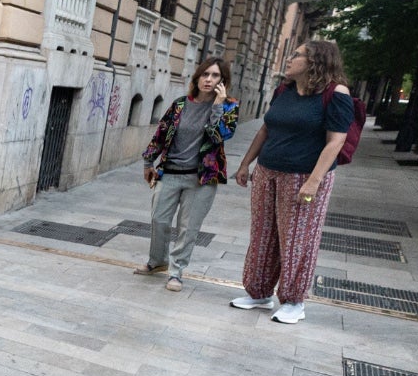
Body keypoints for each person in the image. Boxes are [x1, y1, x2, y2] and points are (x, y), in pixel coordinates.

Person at [230, 39, 355, 324]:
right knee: (262, 235)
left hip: (303, 177)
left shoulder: (336, 94)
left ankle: (294, 300)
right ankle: (259, 292)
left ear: (315, 62)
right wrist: (246, 163)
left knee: (297, 239)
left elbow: (336, 142)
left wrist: (314, 181)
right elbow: (266, 128)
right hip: (267, 171)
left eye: (296, 55)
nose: (289, 59)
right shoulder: (284, 90)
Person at [134, 57, 239, 292]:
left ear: (223, 82)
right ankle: (157, 261)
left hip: (201, 179)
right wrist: (148, 160)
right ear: (197, 77)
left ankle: (176, 272)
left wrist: (217, 106)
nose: (209, 80)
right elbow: (161, 133)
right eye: (205, 75)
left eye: (215, 76)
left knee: (187, 227)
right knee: (159, 219)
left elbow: (218, 136)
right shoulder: (181, 104)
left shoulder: (229, 107)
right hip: (170, 172)